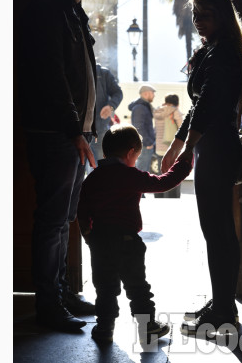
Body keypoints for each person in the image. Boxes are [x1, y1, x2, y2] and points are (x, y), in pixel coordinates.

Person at [160, 0, 242, 335]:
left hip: (217, 147)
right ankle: (221, 303)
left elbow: (210, 105)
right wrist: (178, 145)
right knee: (215, 230)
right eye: (196, 15)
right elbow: (200, 104)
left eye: (207, 15)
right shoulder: (214, 49)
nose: (199, 21)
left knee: (218, 231)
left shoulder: (224, 52)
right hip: (210, 146)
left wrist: (185, 148)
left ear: (222, 16)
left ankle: (224, 310)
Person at [16, 0, 100, 331]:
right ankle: (50, 306)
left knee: (64, 218)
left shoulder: (71, 11)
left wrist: (83, 130)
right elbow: (51, 77)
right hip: (57, 134)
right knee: (53, 221)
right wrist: (74, 130)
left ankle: (62, 295)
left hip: (72, 133)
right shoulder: (49, 10)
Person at [77, 124, 192, 343]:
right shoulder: (129, 176)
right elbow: (164, 182)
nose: (136, 161)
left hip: (100, 242)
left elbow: (82, 211)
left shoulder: (92, 179)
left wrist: (89, 237)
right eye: (137, 157)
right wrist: (184, 163)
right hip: (127, 242)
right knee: (137, 287)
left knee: (105, 288)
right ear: (130, 153)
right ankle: (147, 327)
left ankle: (104, 328)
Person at [89, 63, 123, 168]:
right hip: (78, 131)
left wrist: (110, 106)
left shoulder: (103, 73)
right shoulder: (74, 68)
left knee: (102, 164)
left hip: (99, 129)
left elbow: (118, 93)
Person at [153, 94, 184, 198]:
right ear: (176, 102)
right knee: (174, 174)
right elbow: (182, 129)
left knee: (160, 173)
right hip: (172, 149)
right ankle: (172, 198)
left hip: (159, 148)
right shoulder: (175, 111)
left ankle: (159, 197)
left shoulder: (158, 111)